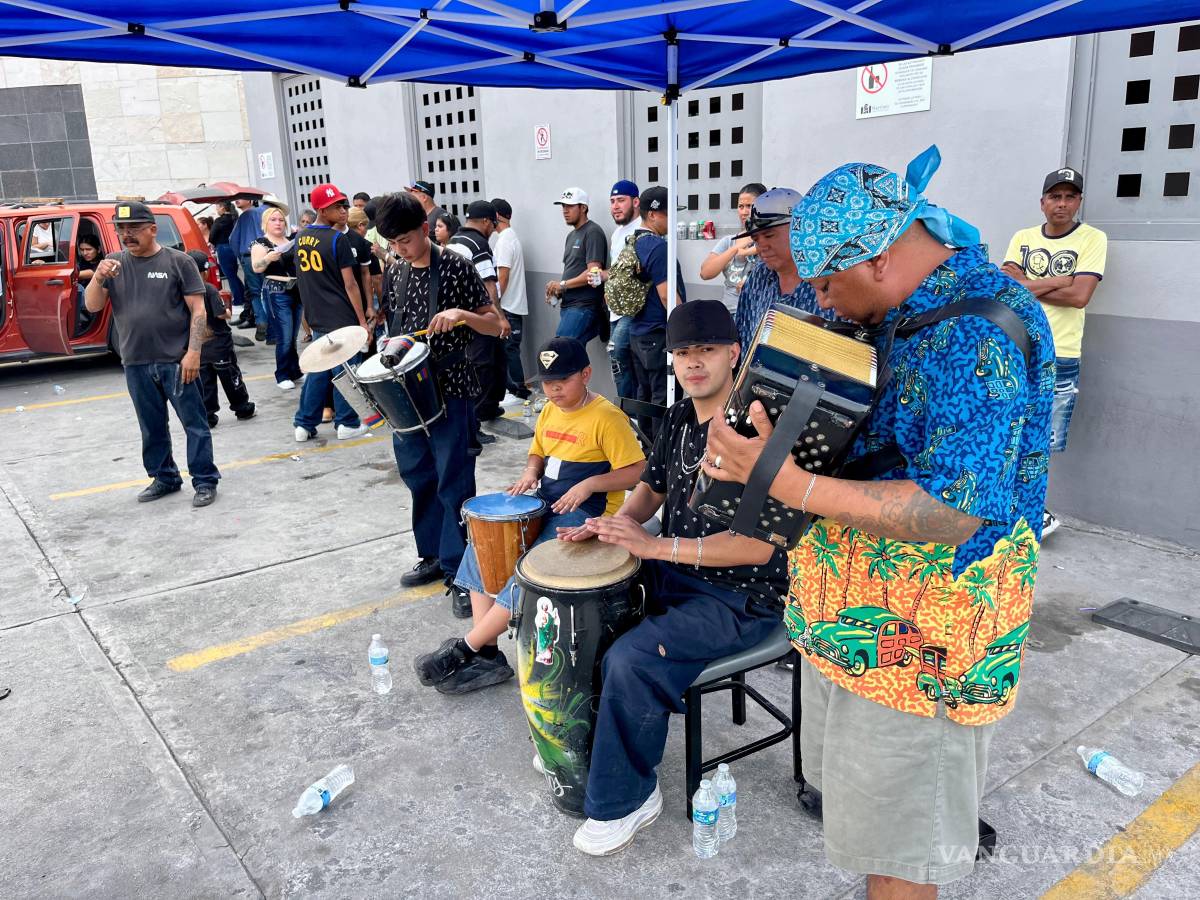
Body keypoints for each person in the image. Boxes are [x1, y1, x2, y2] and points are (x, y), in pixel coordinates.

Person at [705, 146, 1055, 896]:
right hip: (860, 626)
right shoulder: (904, 310)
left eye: (829, 281)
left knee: (902, 856)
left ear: (884, 257)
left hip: (920, 648)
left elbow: (952, 511)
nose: (822, 301)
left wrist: (784, 480)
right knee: (874, 827)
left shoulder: (975, 332)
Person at [559, 299, 787, 856]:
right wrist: (616, 523)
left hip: (742, 599)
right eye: (683, 353)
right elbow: (653, 489)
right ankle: (592, 749)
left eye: (706, 350)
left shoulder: (759, 428)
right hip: (677, 574)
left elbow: (755, 546)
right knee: (584, 619)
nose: (694, 363)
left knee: (630, 659)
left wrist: (654, 545)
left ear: (734, 353)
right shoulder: (680, 418)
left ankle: (628, 798)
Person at [413, 337, 645, 694]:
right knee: (483, 544)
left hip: (587, 513)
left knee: (529, 569)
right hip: (548, 501)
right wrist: (530, 472)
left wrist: (592, 483)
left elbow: (638, 471)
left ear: (586, 374)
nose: (552, 390)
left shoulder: (607, 418)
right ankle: (487, 652)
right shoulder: (550, 408)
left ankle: (468, 647)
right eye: (546, 383)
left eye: (561, 381)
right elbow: (537, 452)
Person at [373, 191, 502, 614]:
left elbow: (496, 325)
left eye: (406, 241)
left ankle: (462, 573)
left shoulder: (456, 267)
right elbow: (395, 325)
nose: (400, 250)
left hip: (452, 390)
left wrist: (462, 315)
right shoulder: (395, 270)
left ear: (426, 230)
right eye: (393, 244)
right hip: (407, 394)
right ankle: (431, 554)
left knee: (454, 482)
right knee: (418, 476)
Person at [83, 201, 220, 508]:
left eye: (133, 229)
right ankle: (165, 477)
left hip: (176, 361)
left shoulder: (178, 261)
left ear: (152, 229)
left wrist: (193, 353)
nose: (126, 235)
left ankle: (205, 480)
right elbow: (92, 306)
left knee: (194, 423)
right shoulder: (114, 263)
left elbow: (198, 309)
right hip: (135, 361)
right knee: (151, 425)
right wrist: (98, 277)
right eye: (121, 229)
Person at [1002, 166, 1107, 538]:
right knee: (1008, 425)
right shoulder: (1023, 237)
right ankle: (1016, 505)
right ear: (1043, 202)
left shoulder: (1092, 239)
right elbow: (1009, 289)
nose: (1062, 204)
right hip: (1017, 345)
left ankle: (1035, 510)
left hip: (1060, 353)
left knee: (1043, 437)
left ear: (1078, 202)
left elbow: (1079, 297)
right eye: (1055, 197)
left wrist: (1033, 284)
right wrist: (1061, 279)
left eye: (1070, 197)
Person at [292, 183, 371, 443]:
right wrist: (361, 321)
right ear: (322, 210)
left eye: (343, 205)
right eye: (337, 206)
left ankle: (304, 424)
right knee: (346, 370)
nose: (343, 210)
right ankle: (347, 422)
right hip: (341, 315)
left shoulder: (300, 238)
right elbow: (350, 284)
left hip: (317, 314)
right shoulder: (338, 239)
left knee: (319, 370)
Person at [733, 187, 825, 350]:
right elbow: (742, 335)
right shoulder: (758, 277)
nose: (762, 245)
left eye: (769, 235)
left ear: (799, 229)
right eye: (755, 239)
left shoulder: (828, 277)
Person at [627, 186, 685, 440]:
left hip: (637, 332)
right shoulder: (658, 247)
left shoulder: (632, 242)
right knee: (665, 396)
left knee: (646, 393)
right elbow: (666, 295)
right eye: (668, 213)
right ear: (653, 215)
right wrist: (685, 328)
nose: (673, 220)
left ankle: (648, 446)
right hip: (657, 332)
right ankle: (662, 452)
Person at [448, 200, 506, 438]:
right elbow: (489, 286)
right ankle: (474, 424)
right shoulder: (479, 245)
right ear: (484, 222)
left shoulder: (455, 241)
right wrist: (499, 318)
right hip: (477, 317)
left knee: (484, 364)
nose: (493, 229)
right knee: (483, 367)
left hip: (458, 317)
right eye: (493, 224)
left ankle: (488, 408)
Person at [188, 250, 255, 427]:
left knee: (205, 382)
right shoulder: (209, 289)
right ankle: (242, 407)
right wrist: (227, 311)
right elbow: (220, 315)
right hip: (219, 344)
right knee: (230, 376)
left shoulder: (183, 291)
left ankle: (208, 415)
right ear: (203, 271)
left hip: (200, 347)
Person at [547, 187, 608, 346]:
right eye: (563, 206)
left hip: (583, 306)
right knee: (573, 357)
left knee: (561, 352)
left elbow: (593, 273)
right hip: (569, 306)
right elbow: (571, 270)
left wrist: (562, 285)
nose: (565, 211)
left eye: (570, 206)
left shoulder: (593, 232)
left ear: (583, 208)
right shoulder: (571, 235)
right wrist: (557, 292)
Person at [251, 206, 304, 391]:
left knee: (293, 335)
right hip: (276, 291)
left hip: (296, 289)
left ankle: (294, 370)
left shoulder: (290, 240)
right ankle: (282, 373)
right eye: (273, 219)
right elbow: (256, 267)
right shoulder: (261, 243)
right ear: (266, 223)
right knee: (284, 336)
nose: (278, 223)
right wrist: (268, 258)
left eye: (281, 220)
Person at [700, 182, 766, 313]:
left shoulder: (769, 240)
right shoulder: (728, 241)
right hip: (730, 313)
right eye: (740, 206)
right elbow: (705, 273)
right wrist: (735, 248)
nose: (744, 212)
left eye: (749, 206)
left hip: (758, 312)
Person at [604, 180, 642, 400]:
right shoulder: (616, 234)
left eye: (621, 200)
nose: (615, 206)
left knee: (618, 354)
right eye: (612, 201)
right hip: (614, 309)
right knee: (620, 360)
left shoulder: (642, 230)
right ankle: (627, 411)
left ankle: (630, 412)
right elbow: (617, 272)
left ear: (635, 202)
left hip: (632, 310)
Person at [490, 198, 531, 400]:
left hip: (508, 306)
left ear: (496, 216)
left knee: (509, 349)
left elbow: (502, 277)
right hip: (512, 305)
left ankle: (517, 390)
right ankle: (515, 388)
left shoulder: (505, 240)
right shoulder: (510, 237)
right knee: (509, 348)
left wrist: (494, 304)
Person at [230, 197, 269, 341]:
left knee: (255, 292)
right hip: (268, 253)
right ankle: (272, 326)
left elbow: (233, 240)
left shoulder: (245, 216)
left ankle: (261, 323)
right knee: (270, 290)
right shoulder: (270, 213)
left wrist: (241, 257)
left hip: (248, 256)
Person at [346, 207, 383, 334]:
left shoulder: (335, 242)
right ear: (361, 225)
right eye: (366, 227)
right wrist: (380, 306)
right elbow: (377, 279)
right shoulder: (366, 245)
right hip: (362, 303)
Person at [209, 201, 245, 323]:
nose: (216, 209)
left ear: (223, 208)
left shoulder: (219, 221)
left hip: (223, 247)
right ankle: (242, 295)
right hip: (234, 247)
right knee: (233, 274)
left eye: (217, 207)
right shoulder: (235, 219)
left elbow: (212, 237)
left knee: (230, 275)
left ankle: (239, 299)